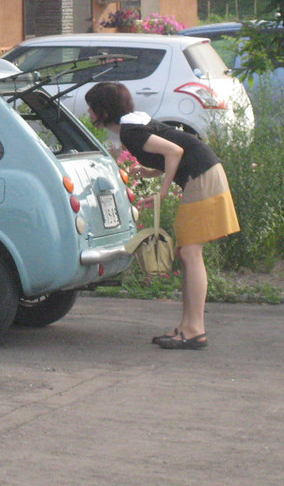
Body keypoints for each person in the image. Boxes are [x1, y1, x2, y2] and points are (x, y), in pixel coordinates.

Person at [84, 82, 240, 349]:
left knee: (191, 254)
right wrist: (149, 172)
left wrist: (162, 193)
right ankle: (188, 327)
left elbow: (175, 151)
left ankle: (194, 330)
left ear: (102, 110)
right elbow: (173, 149)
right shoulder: (134, 125)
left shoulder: (131, 132)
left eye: (91, 106)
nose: (88, 111)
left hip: (201, 177)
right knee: (186, 253)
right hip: (204, 173)